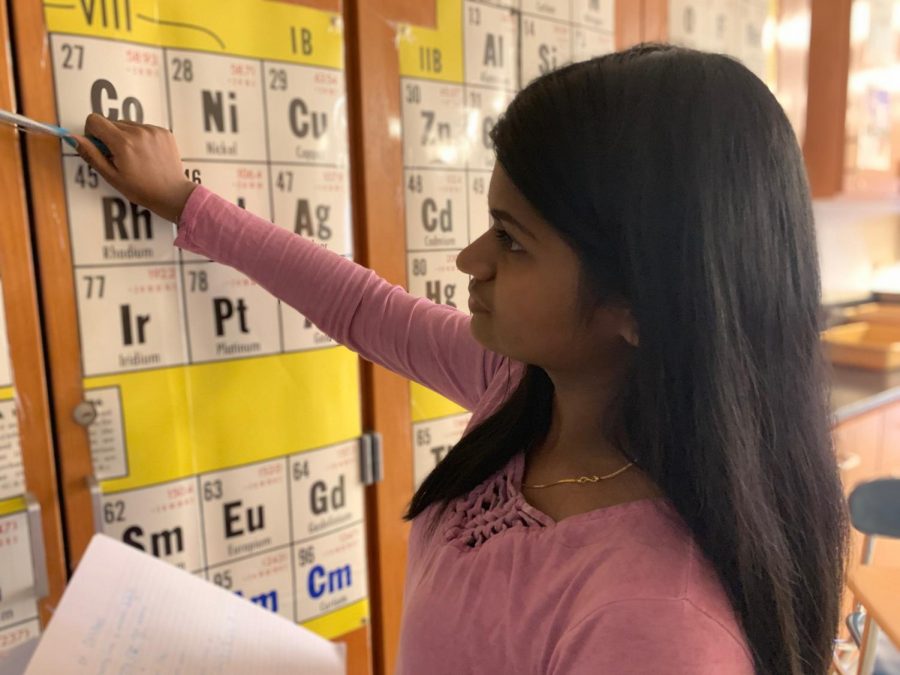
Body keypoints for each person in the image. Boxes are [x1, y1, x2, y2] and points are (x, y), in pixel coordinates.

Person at [73, 43, 848, 674]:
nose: (469, 259)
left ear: (638, 306)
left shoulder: (657, 623)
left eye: (512, 241)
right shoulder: (521, 388)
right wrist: (186, 201)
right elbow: (360, 307)